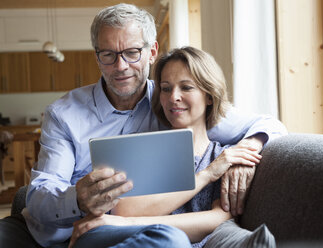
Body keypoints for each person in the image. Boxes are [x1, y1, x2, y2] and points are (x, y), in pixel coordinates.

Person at [0, 3, 287, 248]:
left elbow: (267, 124)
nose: (121, 66)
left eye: (132, 52)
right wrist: (78, 198)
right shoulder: (64, 114)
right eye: (108, 55)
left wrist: (247, 151)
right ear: (97, 57)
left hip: (116, 230)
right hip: (49, 232)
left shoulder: (173, 105)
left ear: (152, 52)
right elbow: (39, 195)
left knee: (170, 239)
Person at [68, 46, 264, 248]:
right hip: (115, 235)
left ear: (209, 96)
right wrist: (206, 175)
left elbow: (219, 218)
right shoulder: (143, 147)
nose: (173, 97)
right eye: (166, 88)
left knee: (172, 240)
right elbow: (124, 211)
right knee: (171, 239)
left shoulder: (224, 156)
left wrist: (127, 224)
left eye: (186, 87)